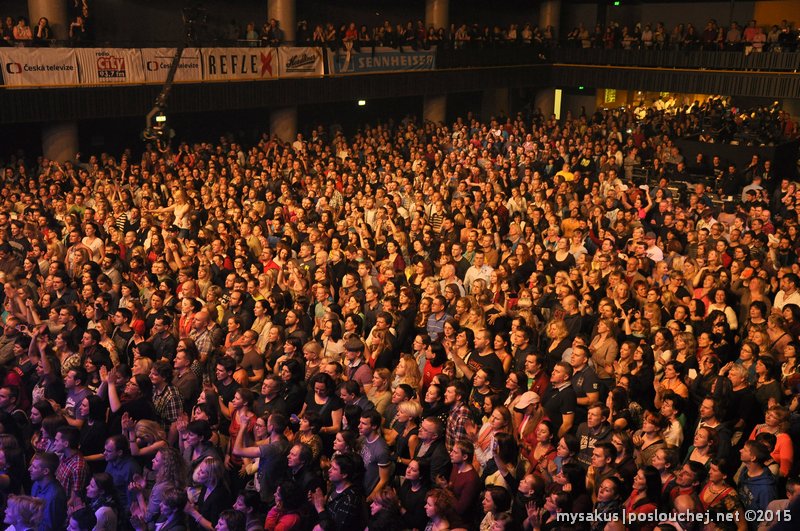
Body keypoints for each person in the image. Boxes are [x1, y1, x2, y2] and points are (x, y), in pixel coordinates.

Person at [29, 452, 67, 531]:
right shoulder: (36, 484)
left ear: (46, 471)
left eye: (34, 467)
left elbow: (48, 528)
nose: (29, 469)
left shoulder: (54, 496)